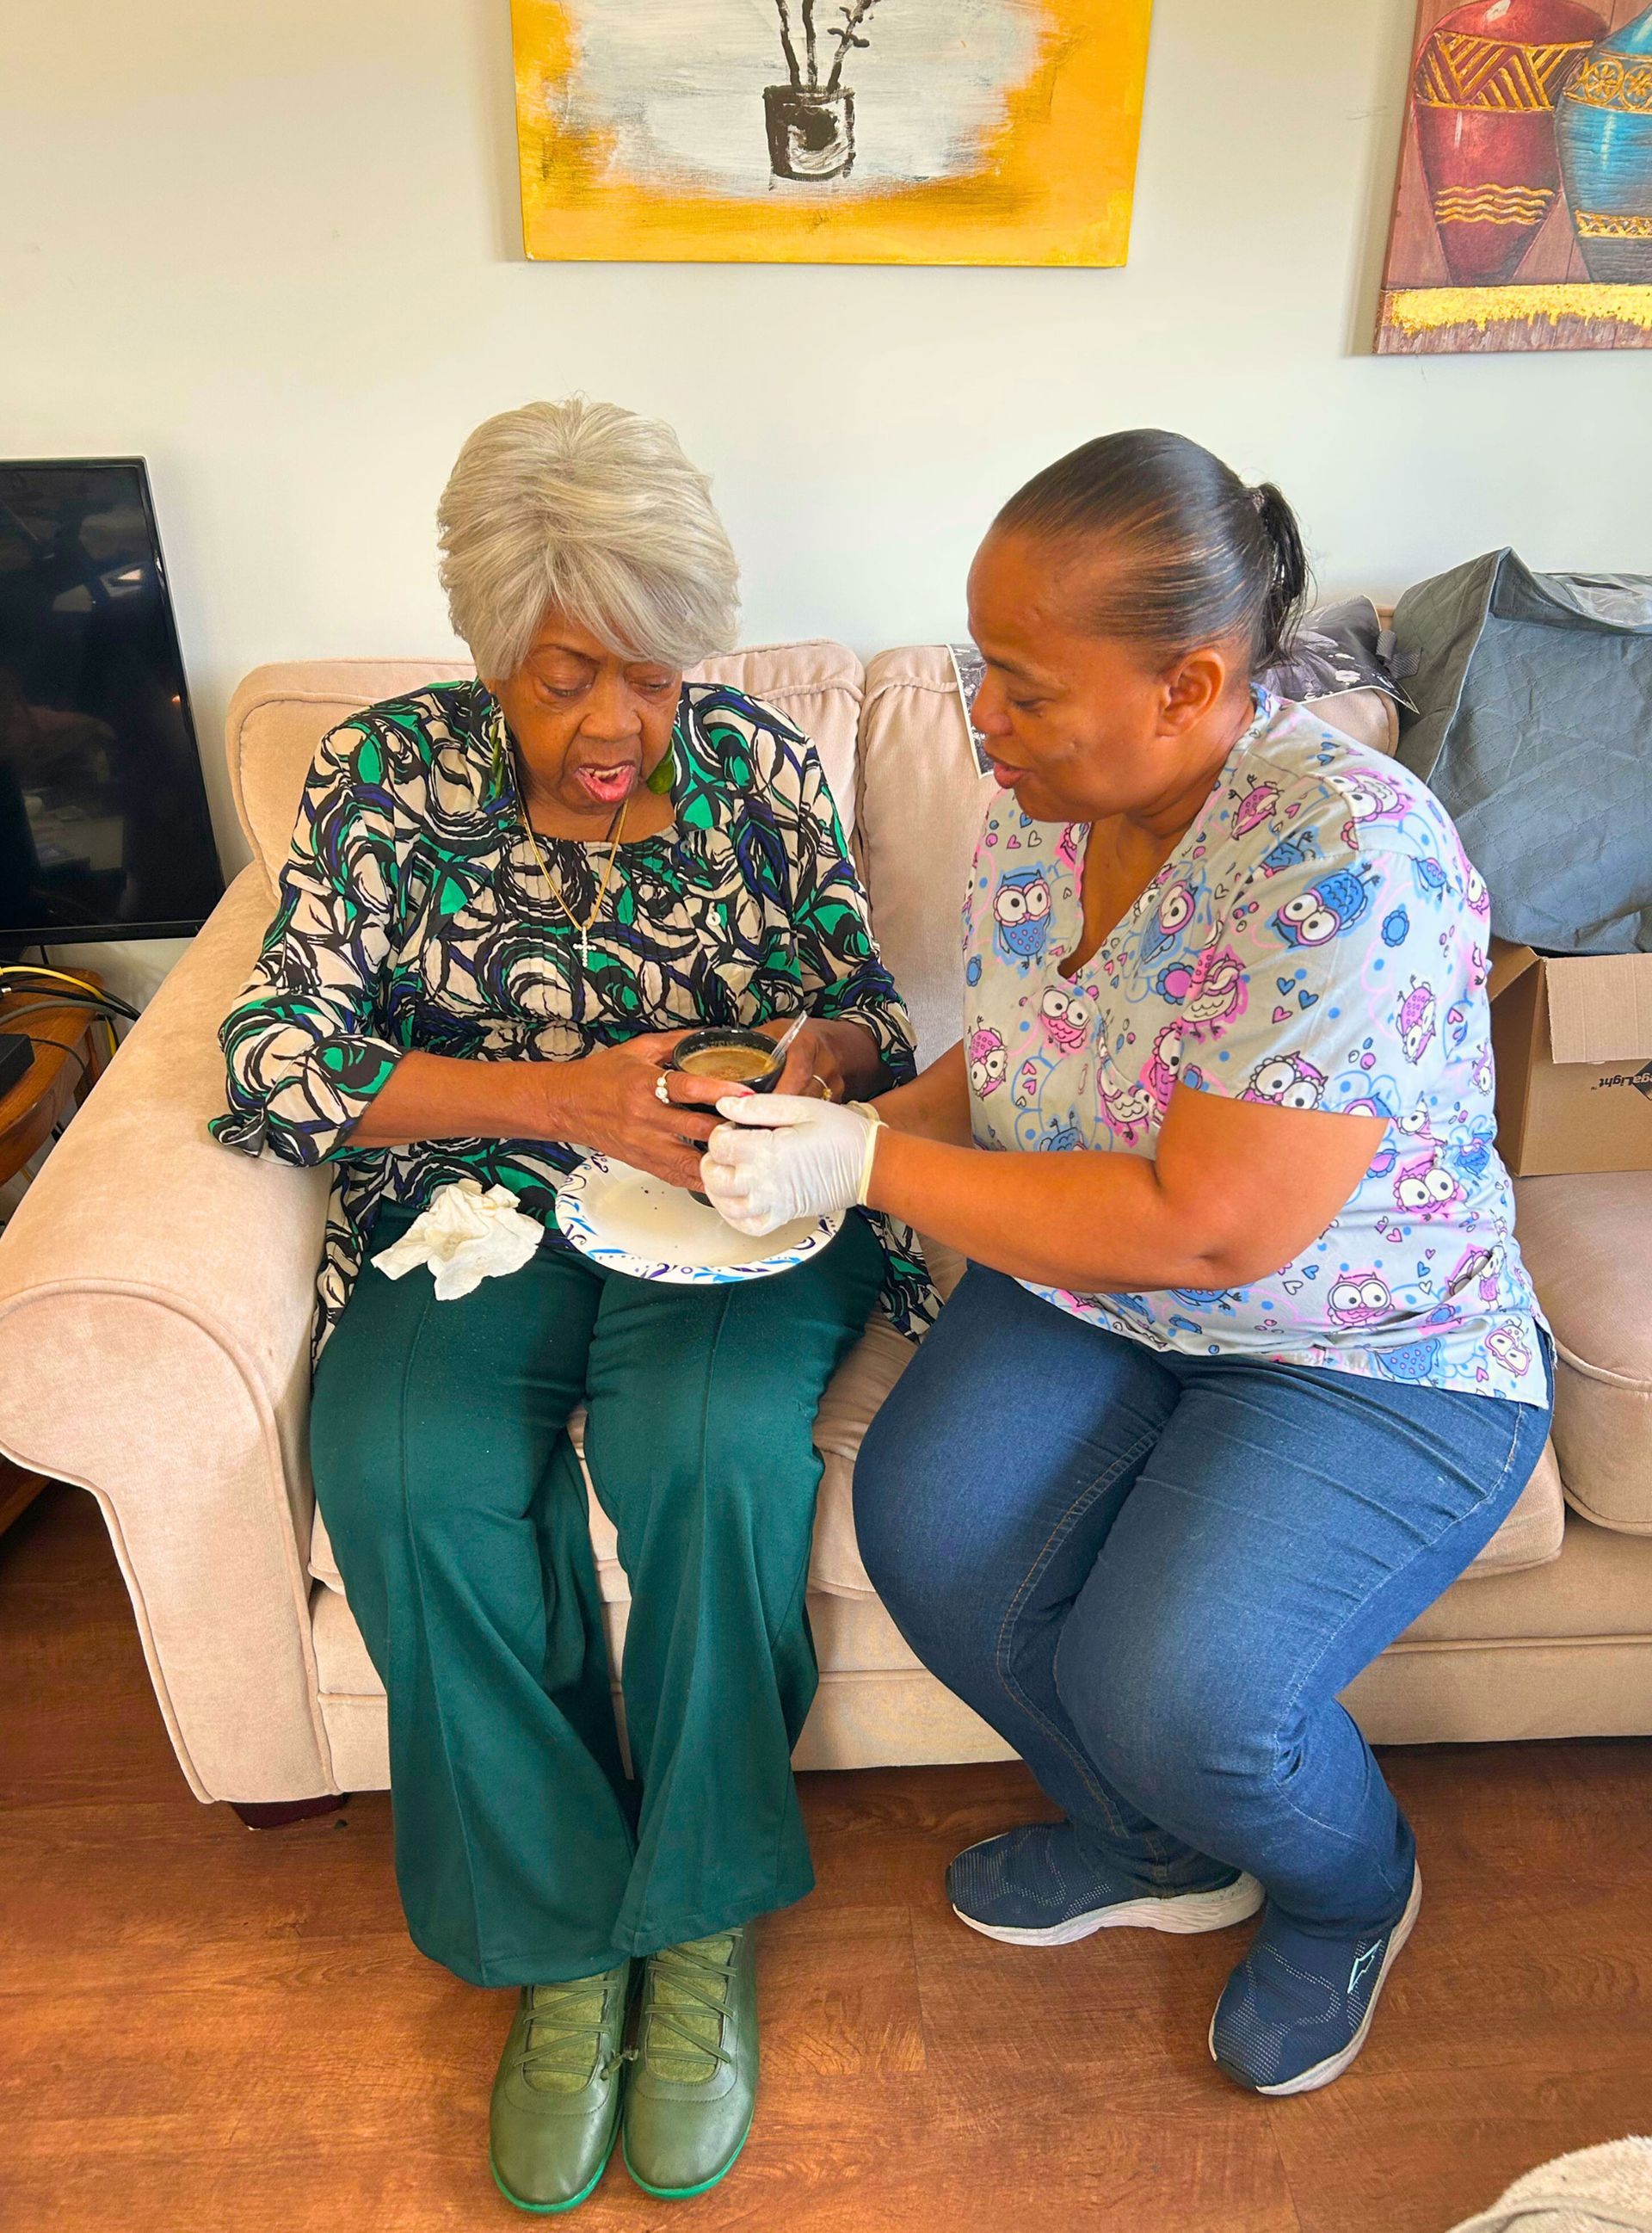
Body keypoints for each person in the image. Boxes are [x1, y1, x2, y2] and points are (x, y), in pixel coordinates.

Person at [701, 429, 1552, 2099]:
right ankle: (1163, 1844)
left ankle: (1342, 1885)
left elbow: (1213, 1223)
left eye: (1020, 685)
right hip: (1108, 1291)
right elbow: (1027, 1065)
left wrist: (869, 1166)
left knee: (1178, 1678)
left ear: (1193, 685)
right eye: (975, 670)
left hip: (1366, 1350)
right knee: (931, 1525)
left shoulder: (1343, 858)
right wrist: (855, 1098)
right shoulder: (1043, 811)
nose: (981, 721)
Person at [212, 398, 932, 2209]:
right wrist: (548, 1097)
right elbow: (277, 1059)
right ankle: (557, 1939)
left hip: (723, 1188)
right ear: (487, 653)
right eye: (567, 676)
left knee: (705, 1448)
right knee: (398, 1463)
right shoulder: (384, 777)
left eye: (658, 675)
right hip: (475, 1189)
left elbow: (871, 1007)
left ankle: (692, 1923)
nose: (620, 726)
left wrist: (812, 1052)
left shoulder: (757, 768)